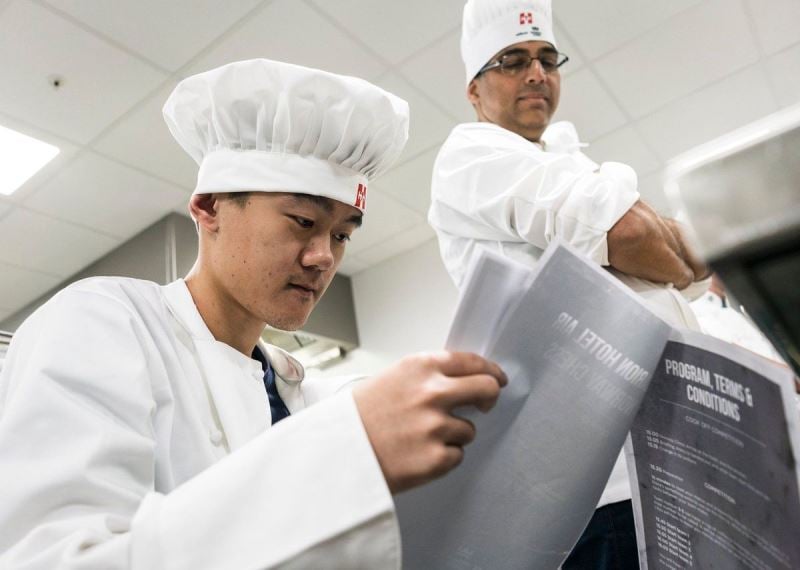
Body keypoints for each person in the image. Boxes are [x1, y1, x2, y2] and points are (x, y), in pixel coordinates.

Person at [0, 59, 507, 569]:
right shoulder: (103, 322)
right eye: (302, 220)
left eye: (341, 235)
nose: (324, 257)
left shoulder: (298, 396)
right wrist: (347, 457)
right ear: (209, 207)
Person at [428, 1, 709, 567]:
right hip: (602, 488)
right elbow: (631, 232)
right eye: (512, 60)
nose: (537, 73)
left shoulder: (562, 162)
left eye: (547, 58)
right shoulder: (470, 155)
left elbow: (695, 254)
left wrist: (658, 251)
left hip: (662, 465)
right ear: (474, 90)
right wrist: (670, 259)